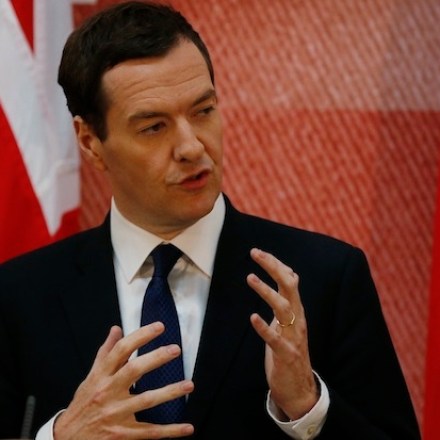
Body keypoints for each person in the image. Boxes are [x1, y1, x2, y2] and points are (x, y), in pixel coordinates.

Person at [0, 1, 421, 439]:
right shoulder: (19, 297)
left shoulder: (324, 277)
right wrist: (61, 436)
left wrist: (306, 406)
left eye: (203, 111)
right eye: (154, 127)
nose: (191, 147)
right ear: (90, 142)